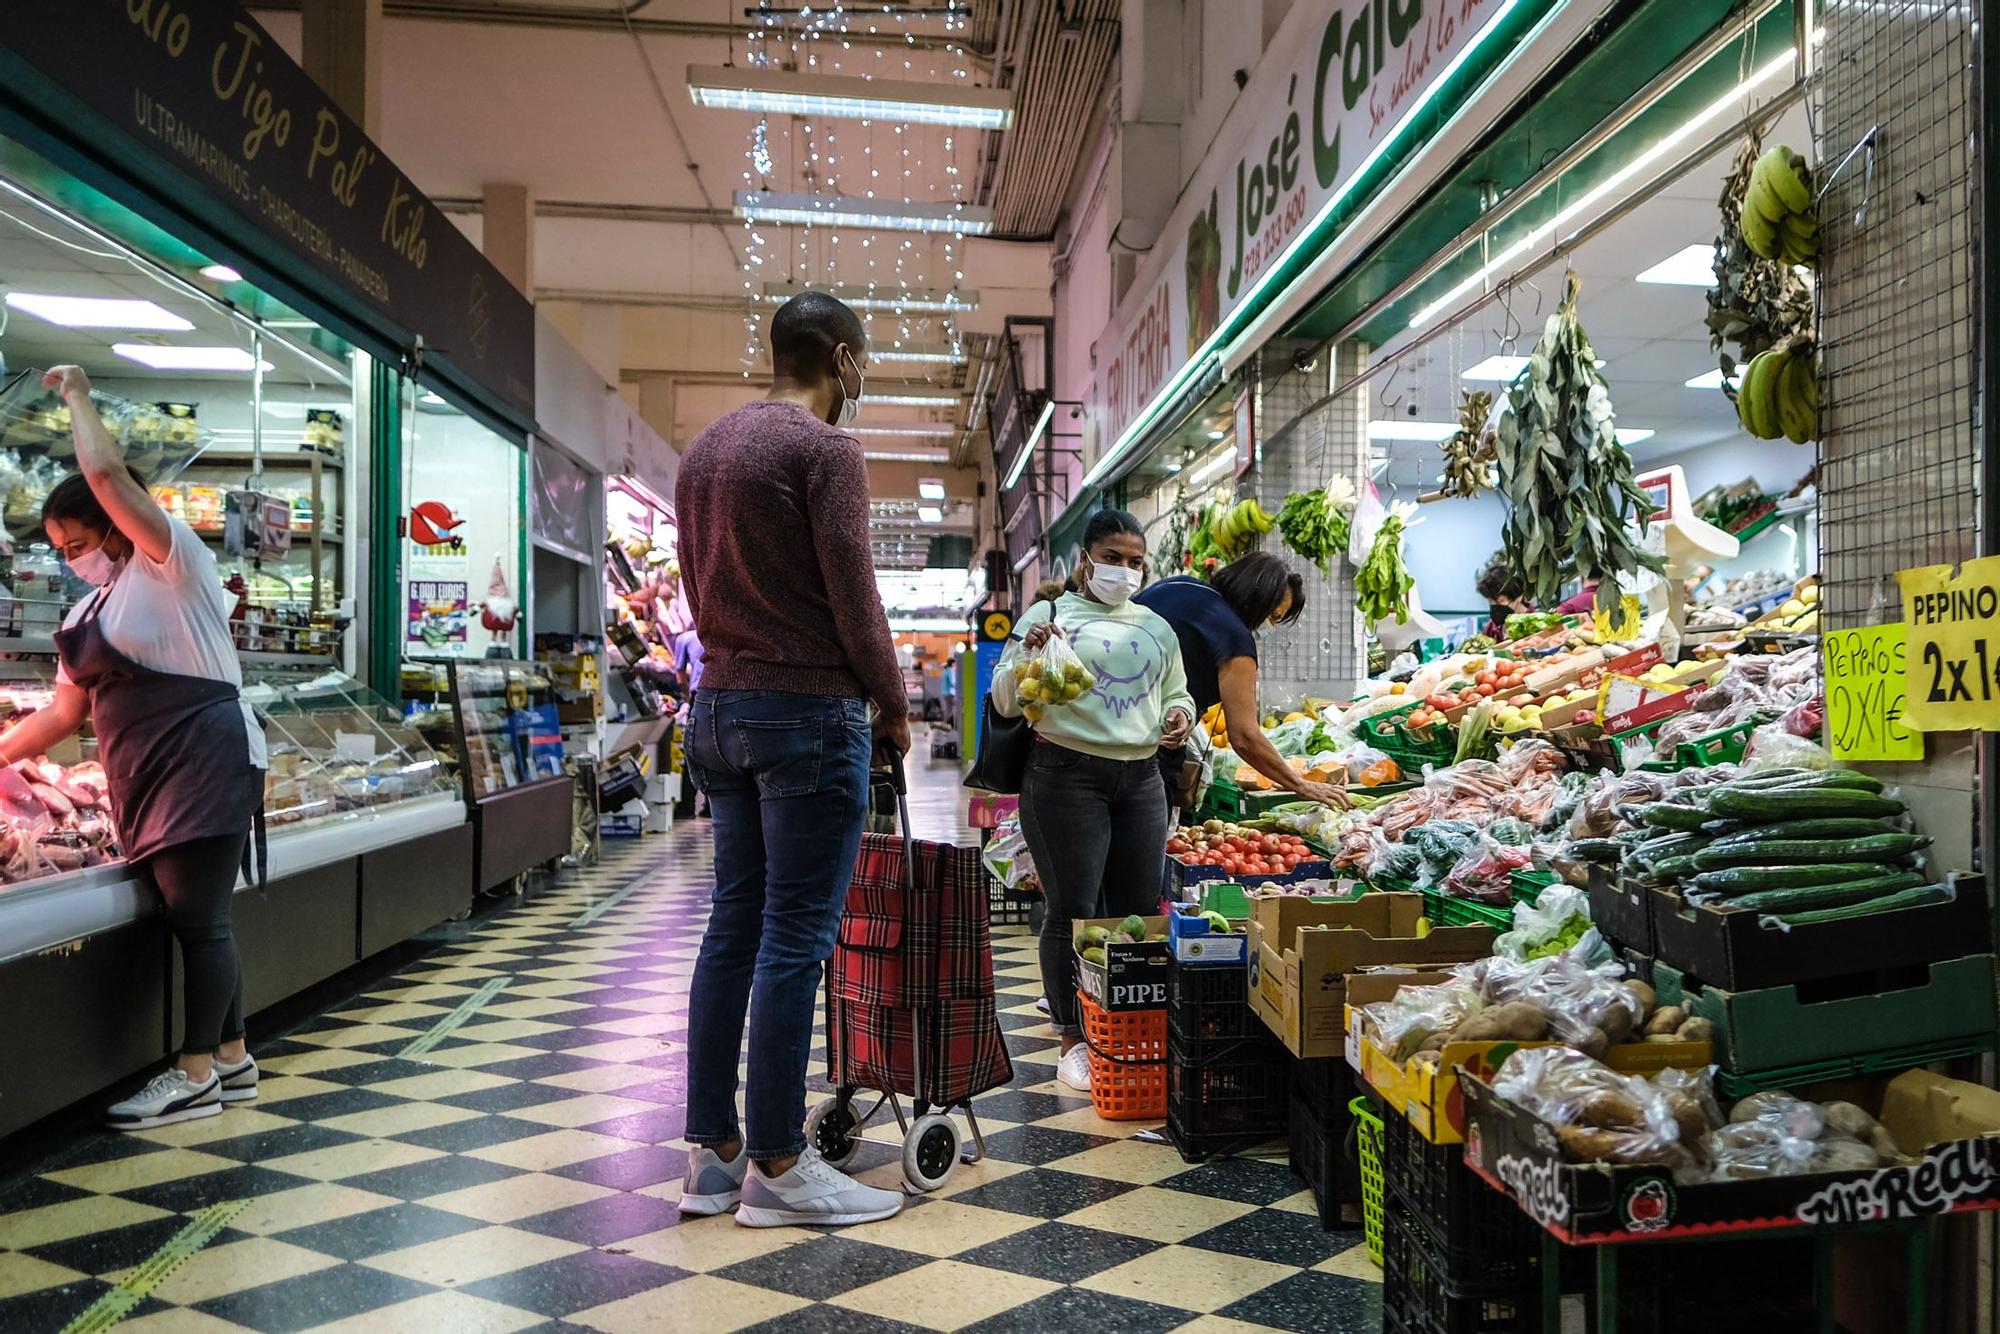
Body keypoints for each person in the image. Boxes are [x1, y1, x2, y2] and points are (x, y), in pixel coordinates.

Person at [674, 291, 910, 1229]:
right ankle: (778, 1159)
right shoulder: (825, 450)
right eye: (864, 364)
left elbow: (697, 589)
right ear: (842, 359)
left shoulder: (703, 452)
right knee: (795, 935)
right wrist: (891, 705)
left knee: (734, 924)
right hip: (807, 717)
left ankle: (713, 1157)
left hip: (719, 712)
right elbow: (856, 599)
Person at [12, 367, 266, 1130]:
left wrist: (78, 397)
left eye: (79, 542)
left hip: (205, 760)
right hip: (145, 774)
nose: (68, 559)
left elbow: (105, 473)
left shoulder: (171, 564)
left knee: (201, 921)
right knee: (201, 915)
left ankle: (193, 1077)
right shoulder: (90, 607)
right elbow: (62, 714)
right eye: (57, 549)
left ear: (118, 524)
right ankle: (233, 1058)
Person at [994, 509, 1195, 1091]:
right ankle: (1071, 1036)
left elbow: (1175, 690)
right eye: (1112, 558)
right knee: (1073, 909)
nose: (1124, 571)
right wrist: (1030, 654)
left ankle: (1123, 1028)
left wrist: (1178, 714)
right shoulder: (1048, 616)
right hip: (1064, 776)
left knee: (1134, 913)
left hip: (1141, 781)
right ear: (1085, 559)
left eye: (1135, 562)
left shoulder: (1156, 627)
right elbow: (1007, 701)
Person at [1135, 552, 1348, 809]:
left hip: (1100, 730)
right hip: (1147, 755)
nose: (1269, 626)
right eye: (1273, 617)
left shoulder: (1176, 585)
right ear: (1257, 600)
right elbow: (1245, 736)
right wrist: (1300, 785)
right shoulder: (1235, 639)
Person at [1476, 555, 1534, 640]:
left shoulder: (1536, 623)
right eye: (1491, 602)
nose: (1495, 607)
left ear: (1519, 597)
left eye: (1501, 601)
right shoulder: (1491, 628)